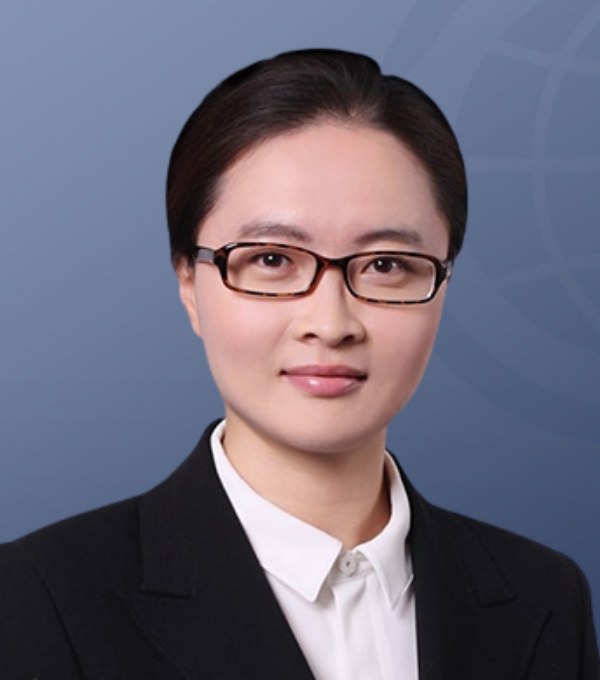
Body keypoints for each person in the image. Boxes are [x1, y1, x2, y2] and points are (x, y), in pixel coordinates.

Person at [0, 48, 597, 680]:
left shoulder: (545, 596)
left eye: (386, 265)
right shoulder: (36, 600)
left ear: (442, 284)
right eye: (272, 260)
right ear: (189, 283)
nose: (332, 324)